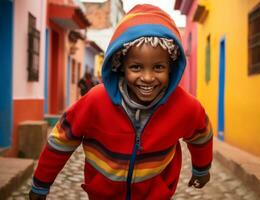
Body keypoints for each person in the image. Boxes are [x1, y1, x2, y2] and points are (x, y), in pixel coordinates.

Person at [29, 4, 213, 200]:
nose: (148, 77)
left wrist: (202, 168)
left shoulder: (185, 107)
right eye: (136, 67)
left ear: (171, 68)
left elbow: (201, 135)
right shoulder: (95, 101)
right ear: (121, 66)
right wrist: (41, 183)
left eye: (158, 67)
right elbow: (62, 140)